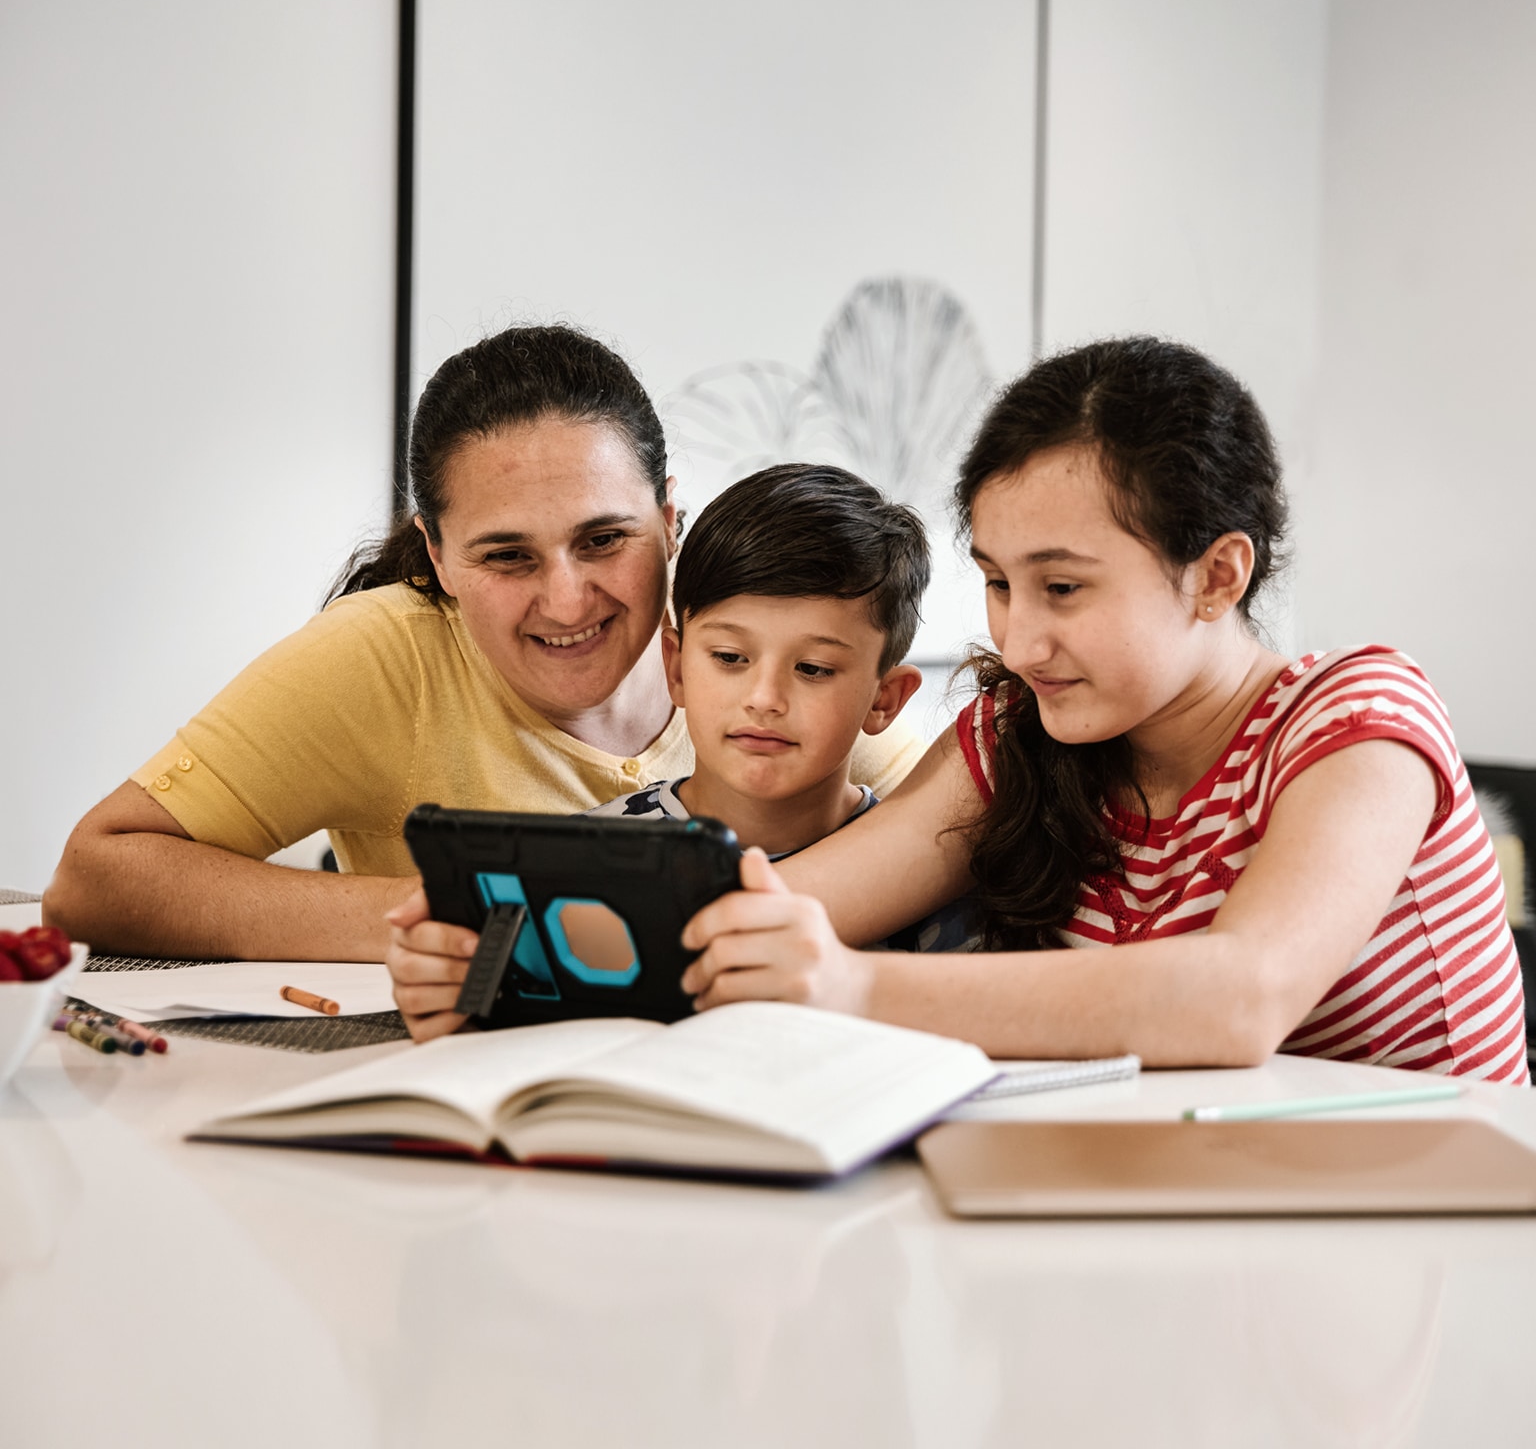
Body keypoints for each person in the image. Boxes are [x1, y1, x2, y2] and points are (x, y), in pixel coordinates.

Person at [661, 337, 1526, 1080]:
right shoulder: (1019, 734)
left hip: (1435, 1230)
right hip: (1180, 1212)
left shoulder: (1356, 717)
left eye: (1063, 587)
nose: (1022, 640)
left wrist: (851, 988)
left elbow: (1239, 997)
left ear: (1219, 576)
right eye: (1000, 584)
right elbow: (767, 907)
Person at [43, 326, 923, 959]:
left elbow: (950, 807)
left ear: (668, 518)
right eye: (507, 556)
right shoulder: (382, 658)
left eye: (604, 539)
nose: (567, 598)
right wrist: (472, 914)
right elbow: (94, 876)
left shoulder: (758, 651)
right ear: (436, 552)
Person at [586, 462, 928, 856]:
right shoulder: (573, 861)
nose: (764, 699)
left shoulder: (931, 877)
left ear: (884, 699)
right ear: (677, 670)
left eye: (812, 668)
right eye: (730, 658)